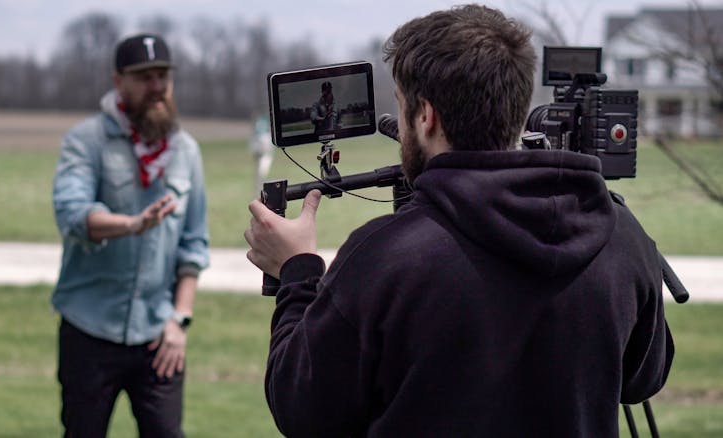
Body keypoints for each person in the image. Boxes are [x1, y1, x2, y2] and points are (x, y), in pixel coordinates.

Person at [244, 4, 674, 437]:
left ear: (426, 116)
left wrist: (296, 271)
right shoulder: (619, 236)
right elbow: (643, 378)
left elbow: (302, 408)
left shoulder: (385, 256)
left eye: (401, 107)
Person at [52, 33, 209, 437]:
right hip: (90, 331)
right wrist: (132, 224)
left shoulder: (186, 151)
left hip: (159, 334)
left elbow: (193, 244)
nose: (157, 87)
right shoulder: (86, 141)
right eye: (144, 77)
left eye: (163, 76)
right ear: (118, 80)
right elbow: (72, 213)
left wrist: (179, 321)